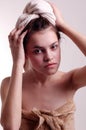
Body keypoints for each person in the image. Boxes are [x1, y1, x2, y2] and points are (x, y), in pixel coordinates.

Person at [0, 0, 86, 130]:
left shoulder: (70, 80)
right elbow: (11, 126)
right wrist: (17, 62)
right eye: (38, 51)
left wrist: (63, 26)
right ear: (25, 52)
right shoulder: (8, 84)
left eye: (54, 47)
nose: (49, 57)